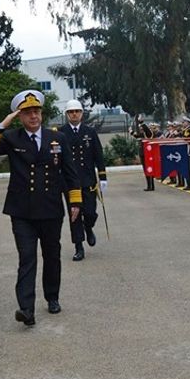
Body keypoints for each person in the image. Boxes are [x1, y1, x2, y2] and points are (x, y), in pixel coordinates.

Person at [0, 89, 82, 327]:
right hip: (22, 211)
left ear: (42, 114)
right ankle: (26, 308)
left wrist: (75, 201)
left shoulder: (57, 138)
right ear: (20, 116)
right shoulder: (13, 138)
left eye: (36, 111)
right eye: (27, 113)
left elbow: (70, 172)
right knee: (27, 258)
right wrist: (4, 123)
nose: (33, 116)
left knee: (52, 255)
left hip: (50, 208)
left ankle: (52, 297)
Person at [60, 100, 106, 262]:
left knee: (90, 212)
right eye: (71, 112)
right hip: (70, 182)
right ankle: (78, 247)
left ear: (81, 113)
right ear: (67, 114)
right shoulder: (60, 133)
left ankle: (89, 227)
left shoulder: (90, 132)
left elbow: (98, 155)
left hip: (88, 180)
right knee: (75, 215)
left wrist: (102, 177)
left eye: (77, 111)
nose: (74, 114)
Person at [131, 117, 156, 191]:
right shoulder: (142, 135)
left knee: (149, 170)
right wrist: (131, 131)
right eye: (140, 128)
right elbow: (136, 136)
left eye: (142, 128)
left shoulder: (148, 134)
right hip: (143, 154)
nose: (141, 130)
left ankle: (151, 186)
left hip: (148, 154)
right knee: (146, 170)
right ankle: (149, 185)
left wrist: (142, 122)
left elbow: (147, 131)